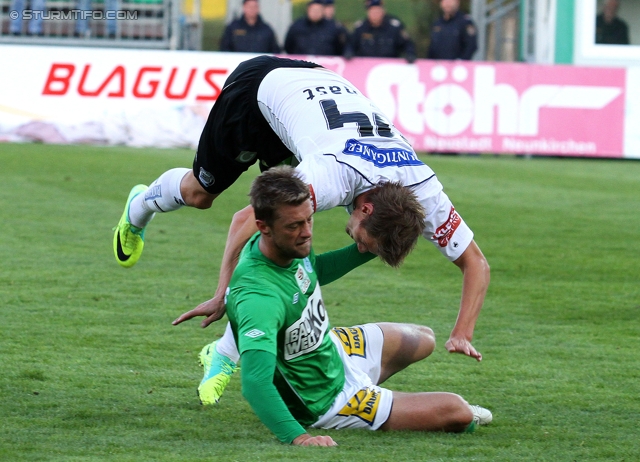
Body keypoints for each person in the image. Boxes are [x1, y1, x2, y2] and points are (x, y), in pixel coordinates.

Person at [113, 55, 490, 402]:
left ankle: (225, 351)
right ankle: (139, 205)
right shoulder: (332, 176)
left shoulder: (424, 191)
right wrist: (222, 294)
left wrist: (462, 332)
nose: (357, 243)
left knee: (288, 244)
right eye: (362, 238)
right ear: (366, 207)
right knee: (201, 193)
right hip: (259, 89)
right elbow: (245, 219)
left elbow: (476, 264)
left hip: (314, 91)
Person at [196, 166, 492, 445]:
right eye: (295, 225)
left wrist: (373, 243)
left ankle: (384, 394)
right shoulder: (259, 296)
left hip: (331, 351)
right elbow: (255, 384)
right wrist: (299, 438)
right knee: (457, 411)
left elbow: (316, 271)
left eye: (309, 219)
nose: (307, 232)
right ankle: (226, 352)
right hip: (325, 398)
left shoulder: (285, 246)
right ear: (263, 227)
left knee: (423, 338)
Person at [345, 0, 416, 63]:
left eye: (377, 11)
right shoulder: (360, 28)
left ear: (383, 11)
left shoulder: (394, 27)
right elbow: (351, 44)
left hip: (389, 67)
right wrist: (349, 52)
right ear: (367, 12)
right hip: (365, 67)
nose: (375, 14)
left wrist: (410, 54)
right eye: (372, 11)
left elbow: (407, 44)